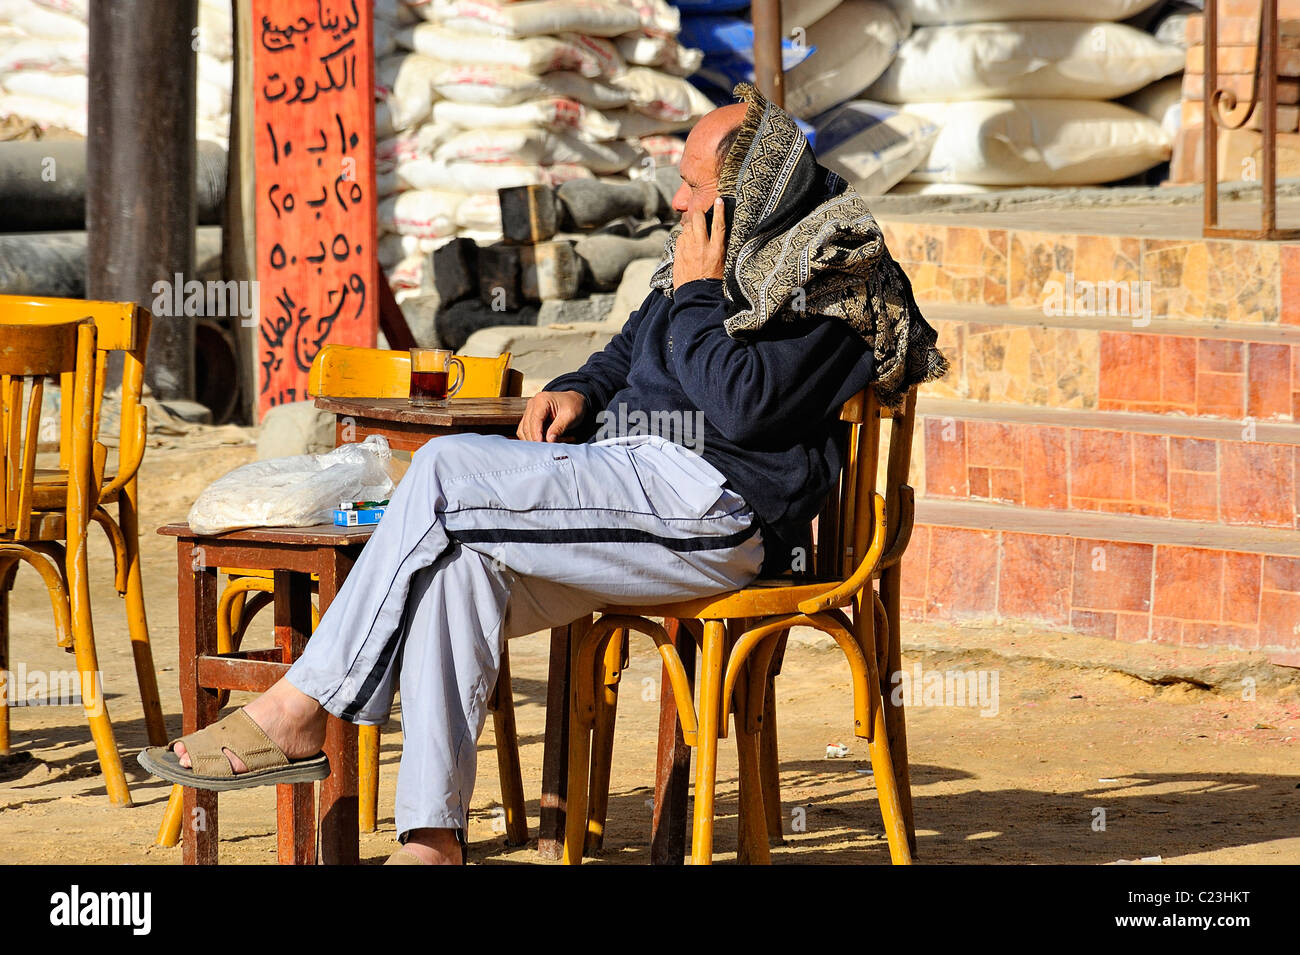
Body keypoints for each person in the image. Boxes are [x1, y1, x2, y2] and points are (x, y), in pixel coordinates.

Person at [139, 83, 945, 864]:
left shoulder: (829, 280)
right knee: (456, 569)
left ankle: (298, 708)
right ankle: (432, 838)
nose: (674, 204)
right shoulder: (709, 256)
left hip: (714, 509)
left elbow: (741, 410)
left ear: (747, 199)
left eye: (691, 188)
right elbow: (630, 350)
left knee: (448, 470)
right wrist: (579, 388)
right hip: (630, 487)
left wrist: (700, 296)